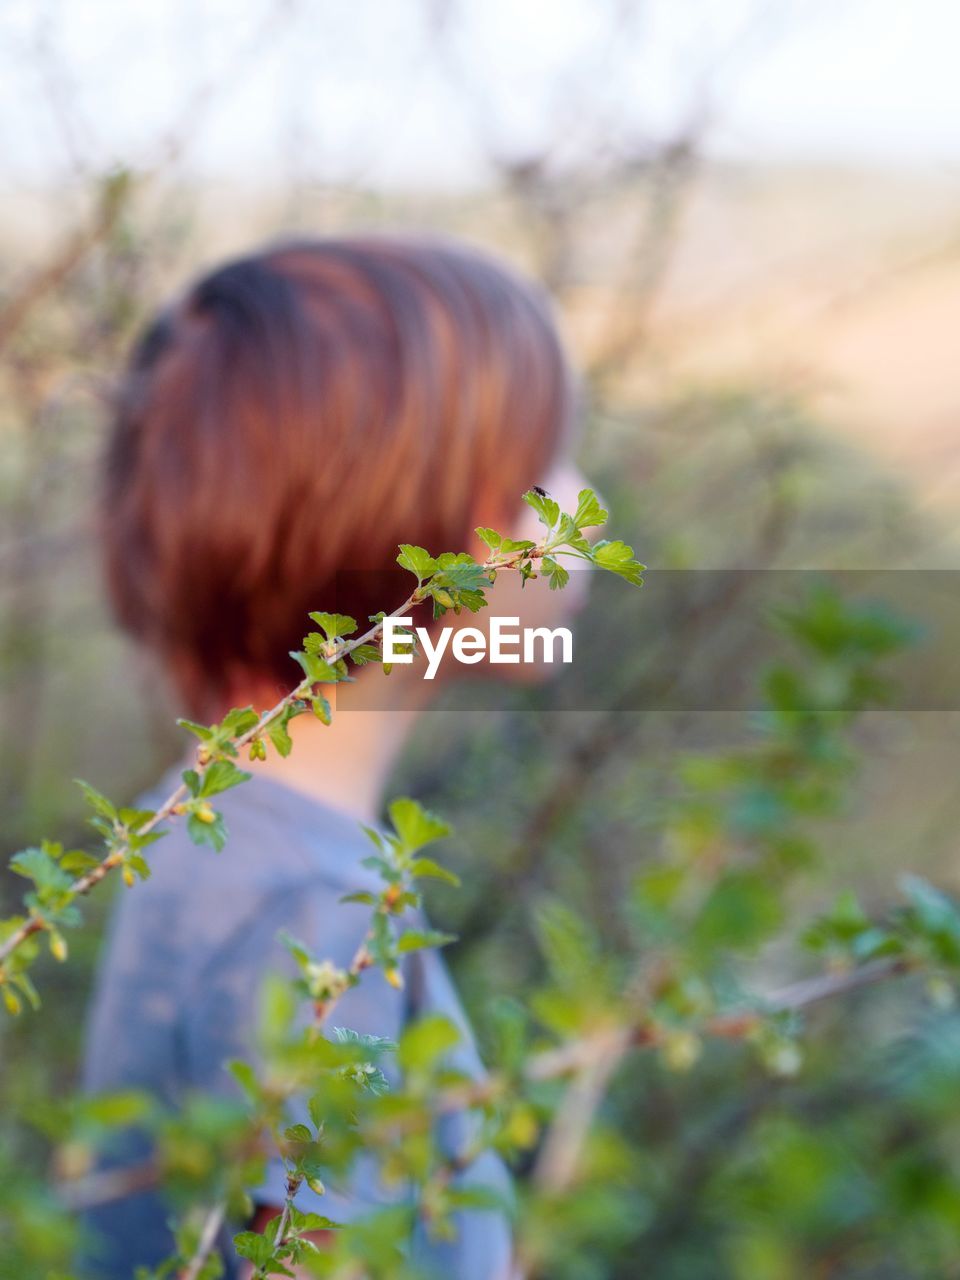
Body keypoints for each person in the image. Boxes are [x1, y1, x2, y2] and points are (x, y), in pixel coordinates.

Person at [82, 235, 591, 1278]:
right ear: (466, 528)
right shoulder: (316, 908)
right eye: (551, 464)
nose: (587, 498)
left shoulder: (192, 828)